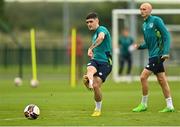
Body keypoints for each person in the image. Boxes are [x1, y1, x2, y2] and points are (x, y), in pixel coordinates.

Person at [132, 2, 175, 112]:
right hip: (152, 56)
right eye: (141, 9)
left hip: (158, 55)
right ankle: (170, 106)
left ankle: (144, 104)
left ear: (150, 10)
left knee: (143, 77)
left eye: (145, 9)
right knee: (162, 80)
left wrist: (165, 52)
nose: (142, 11)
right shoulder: (144, 25)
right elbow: (148, 43)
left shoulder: (156, 20)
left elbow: (166, 35)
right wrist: (139, 46)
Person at [83, 12, 112, 117]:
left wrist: (91, 48)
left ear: (97, 21)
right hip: (95, 60)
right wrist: (92, 52)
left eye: (91, 21)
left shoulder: (102, 29)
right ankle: (89, 81)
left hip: (106, 63)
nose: (89, 24)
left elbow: (101, 38)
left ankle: (98, 108)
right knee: (90, 70)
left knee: (97, 85)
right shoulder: (94, 33)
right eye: (87, 22)